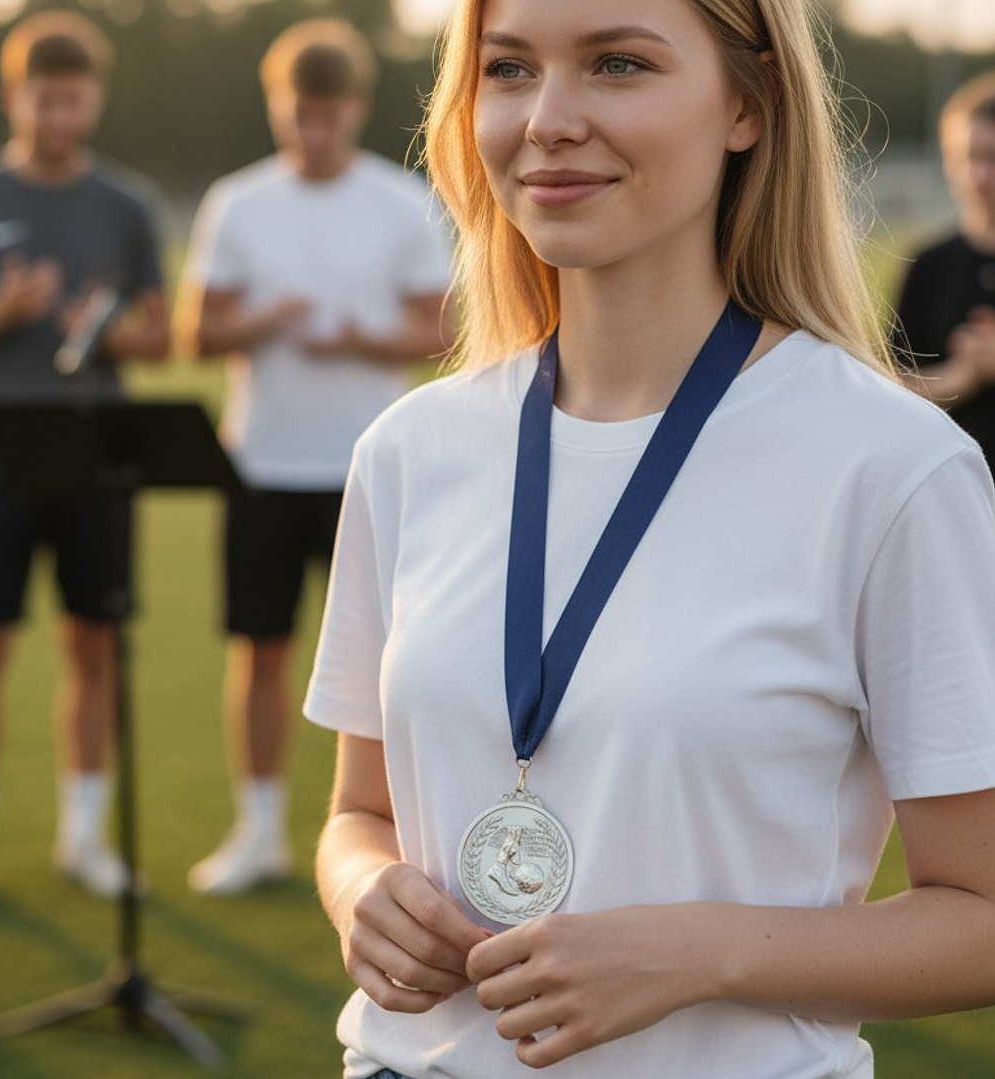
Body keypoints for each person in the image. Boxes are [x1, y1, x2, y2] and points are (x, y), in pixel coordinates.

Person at [304, 0, 995, 1076]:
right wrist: (359, 889)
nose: (548, 118)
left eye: (617, 64)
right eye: (509, 69)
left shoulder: (890, 469)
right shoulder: (408, 449)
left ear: (747, 105)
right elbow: (359, 811)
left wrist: (705, 953)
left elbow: (979, 915)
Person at [176, 18, 452, 896]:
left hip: (369, 473)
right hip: (259, 464)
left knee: (391, 664)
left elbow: (444, 328)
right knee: (259, 647)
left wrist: (361, 340)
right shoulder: (238, 201)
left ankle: (411, 842)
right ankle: (257, 830)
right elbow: (194, 330)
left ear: (356, 111)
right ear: (276, 109)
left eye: (327, 115)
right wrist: (257, 323)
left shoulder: (401, 200)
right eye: (298, 114)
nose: (312, 130)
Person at [0, 10, 170, 915]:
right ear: (11, 94)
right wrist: (4, 308)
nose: (60, 117)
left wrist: (95, 328)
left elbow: (161, 336)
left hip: (96, 462)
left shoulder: (127, 204)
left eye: (74, 101)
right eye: (43, 100)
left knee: (93, 645)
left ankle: (86, 838)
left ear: (94, 98)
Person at [894, 70, 995, 467]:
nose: (981, 175)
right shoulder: (929, 264)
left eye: (993, 158)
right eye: (969, 157)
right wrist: (960, 377)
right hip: (950, 490)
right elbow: (889, 389)